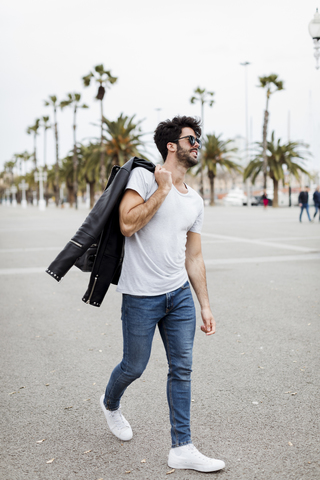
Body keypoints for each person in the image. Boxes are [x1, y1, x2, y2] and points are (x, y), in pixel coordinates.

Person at [99, 116, 225, 473]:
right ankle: (110, 404)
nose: (197, 143)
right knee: (134, 366)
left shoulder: (196, 201)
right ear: (171, 145)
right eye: (190, 138)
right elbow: (127, 223)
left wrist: (205, 305)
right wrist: (163, 189)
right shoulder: (143, 177)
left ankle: (182, 447)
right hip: (140, 295)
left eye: (199, 138)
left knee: (181, 369)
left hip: (179, 296)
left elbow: (194, 256)